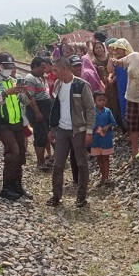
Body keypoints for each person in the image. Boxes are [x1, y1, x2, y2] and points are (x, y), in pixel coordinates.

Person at [48, 56, 95, 207]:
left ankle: (81, 197)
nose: (53, 72)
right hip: (62, 130)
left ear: (65, 69)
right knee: (58, 164)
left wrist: (89, 131)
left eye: (55, 70)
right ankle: (56, 196)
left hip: (78, 131)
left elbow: (90, 109)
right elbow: (55, 108)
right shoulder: (57, 85)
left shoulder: (81, 85)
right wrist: (52, 128)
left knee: (82, 163)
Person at [0, 52, 27, 200]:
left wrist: (24, 94)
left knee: (20, 153)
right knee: (12, 152)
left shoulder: (14, 81)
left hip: (17, 122)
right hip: (2, 123)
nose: (9, 69)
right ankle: (7, 187)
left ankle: (18, 185)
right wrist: (5, 94)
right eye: (6, 66)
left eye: (11, 66)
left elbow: (24, 102)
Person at [114, 39, 139, 159]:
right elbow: (121, 63)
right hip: (131, 97)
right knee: (133, 125)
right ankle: (134, 150)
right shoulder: (133, 56)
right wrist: (114, 61)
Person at [24, 56, 54, 171]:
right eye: (42, 68)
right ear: (35, 67)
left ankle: (45, 160)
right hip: (38, 111)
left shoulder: (41, 77)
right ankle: (40, 162)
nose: (44, 70)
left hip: (45, 110)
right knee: (40, 136)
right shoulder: (30, 78)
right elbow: (30, 97)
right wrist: (37, 112)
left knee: (45, 134)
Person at [91, 90, 116, 185]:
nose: (101, 102)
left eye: (103, 100)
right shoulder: (92, 111)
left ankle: (106, 177)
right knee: (99, 158)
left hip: (106, 139)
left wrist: (107, 126)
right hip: (96, 139)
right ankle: (102, 176)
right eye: (99, 100)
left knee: (105, 158)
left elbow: (113, 122)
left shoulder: (108, 111)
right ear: (94, 101)